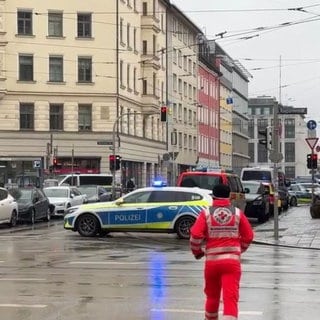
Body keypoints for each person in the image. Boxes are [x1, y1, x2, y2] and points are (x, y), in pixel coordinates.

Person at [190, 183, 254, 320]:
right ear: (229, 196)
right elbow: (248, 236)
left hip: (212, 263)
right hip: (232, 263)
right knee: (230, 299)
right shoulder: (237, 213)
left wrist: (197, 252)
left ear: (213, 196)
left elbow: (195, 236)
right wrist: (239, 250)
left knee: (212, 297)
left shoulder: (206, 213)